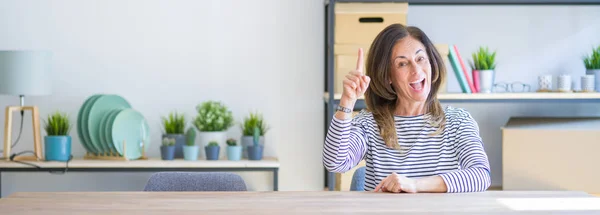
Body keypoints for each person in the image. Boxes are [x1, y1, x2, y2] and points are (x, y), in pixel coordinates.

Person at [323, 23, 491, 193]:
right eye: (402, 64)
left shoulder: (458, 121)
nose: (416, 70)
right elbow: (335, 162)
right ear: (388, 75)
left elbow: (481, 176)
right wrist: (347, 101)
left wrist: (415, 185)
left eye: (420, 59)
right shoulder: (369, 124)